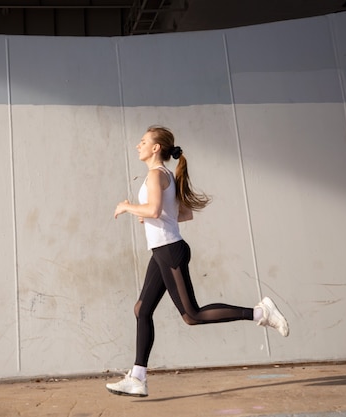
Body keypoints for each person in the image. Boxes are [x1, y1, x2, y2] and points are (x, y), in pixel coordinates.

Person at [106, 125, 289, 398]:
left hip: (169, 251)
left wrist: (128, 207)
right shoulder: (166, 174)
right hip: (162, 251)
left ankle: (260, 313)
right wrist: (152, 216)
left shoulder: (157, 175)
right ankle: (138, 377)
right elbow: (184, 214)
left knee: (192, 315)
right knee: (142, 309)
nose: (138, 145)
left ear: (156, 148)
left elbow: (155, 209)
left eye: (143, 141)